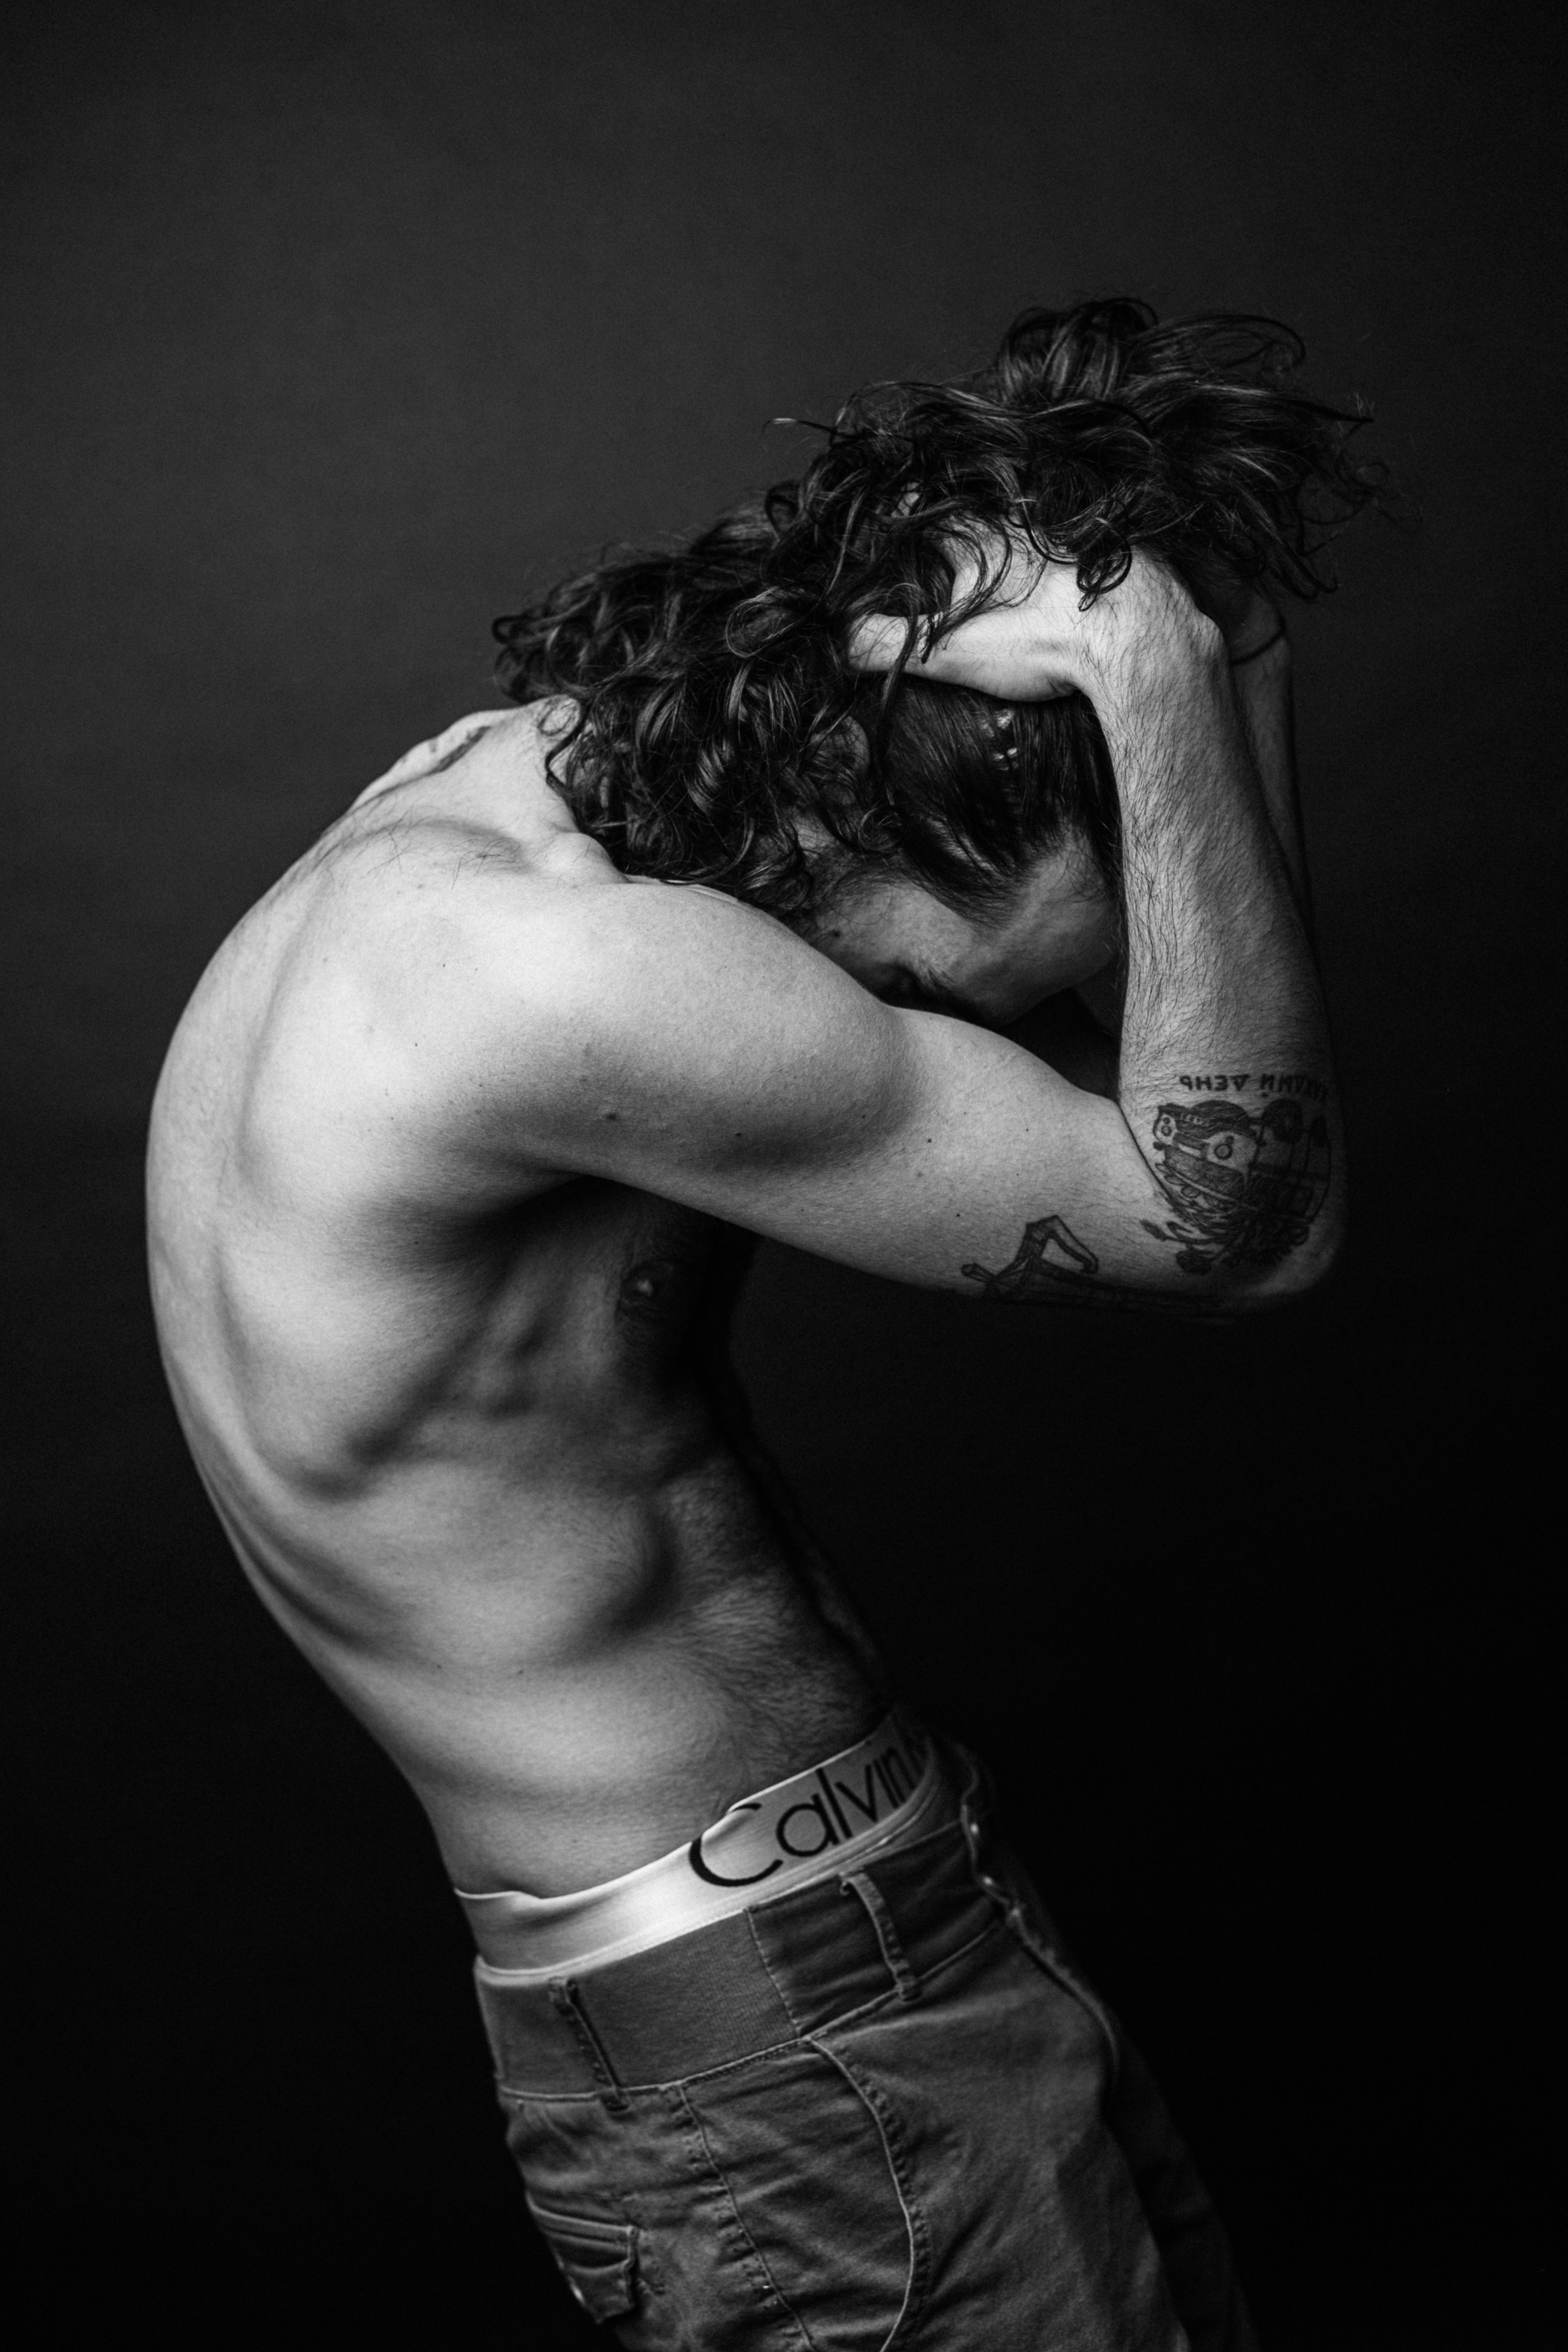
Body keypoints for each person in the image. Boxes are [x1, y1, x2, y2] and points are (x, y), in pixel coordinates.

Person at [147, 300, 1379, 2348]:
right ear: (851, 796)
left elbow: (1204, 1050)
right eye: (976, 988)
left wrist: (1203, 649)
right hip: (799, 2065)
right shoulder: (559, 983)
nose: (994, 1034)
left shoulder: (539, 789)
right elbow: (1251, 1223)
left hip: (857, 1977)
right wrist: (1166, 677)